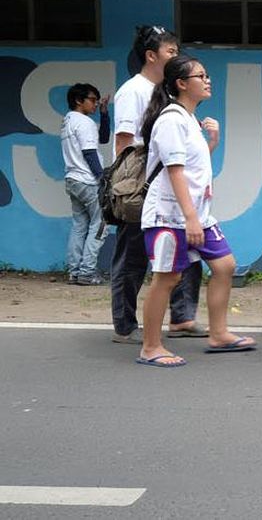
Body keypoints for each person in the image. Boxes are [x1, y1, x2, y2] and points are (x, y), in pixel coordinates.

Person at [136, 55, 256, 367]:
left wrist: (212, 141)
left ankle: (219, 334)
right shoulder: (171, 120)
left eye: (206, 75)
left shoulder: (188, 119)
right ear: (180, 83)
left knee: (225, 265)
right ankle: (150, 346)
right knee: (167, 278)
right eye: (200, 76)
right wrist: (190, 219)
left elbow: (191, 167)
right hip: (170, 218)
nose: (207, 80)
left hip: (197, 216)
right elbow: (175, 172)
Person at [110, 25, 204, 344]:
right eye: (171, 52)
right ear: (151, 56)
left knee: (185, 251)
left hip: (171, 189)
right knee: (133, 257)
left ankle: (182, 317)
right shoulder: (133, 91)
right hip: (142, 187)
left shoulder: (168, 93)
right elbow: (124, 143)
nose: (177, 57)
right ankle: (125, 325)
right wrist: (128, 189)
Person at [61, 83, 110, 285]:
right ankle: (87, 273)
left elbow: (104, 138)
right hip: (88, 181)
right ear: (78, 101)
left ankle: (74, 272)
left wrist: (104, 114)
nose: (95, 104)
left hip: (73, 179)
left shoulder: (68, 120)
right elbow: (90, 152)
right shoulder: (84, 122)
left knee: (79, 226)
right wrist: (102, 179)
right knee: (101, 225)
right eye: (92, 99)